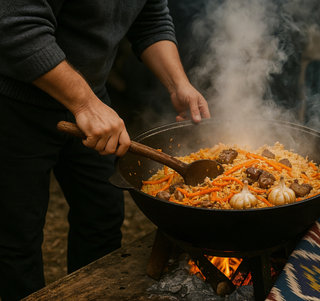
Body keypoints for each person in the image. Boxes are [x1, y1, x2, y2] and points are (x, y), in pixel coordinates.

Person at [0, 1, 210, 300]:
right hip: (15, 104)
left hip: (92, 100)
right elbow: (15, 25)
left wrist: (178, 84)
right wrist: (84, 103)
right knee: (15, 239)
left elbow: (149, 18)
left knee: (101, 219)